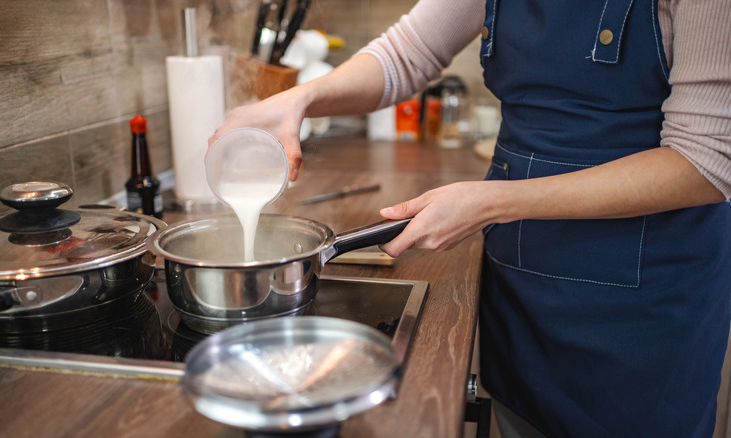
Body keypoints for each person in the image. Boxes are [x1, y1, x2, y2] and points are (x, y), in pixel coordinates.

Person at [208, 0, 731, 436]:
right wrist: (301, 98)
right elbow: (405, 55)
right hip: (522, 272)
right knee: (521, 417)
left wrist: (493, 201)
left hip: (642, 302)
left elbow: (706, 160)